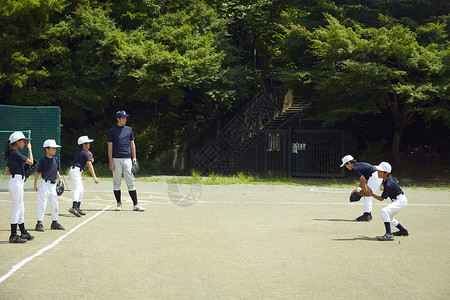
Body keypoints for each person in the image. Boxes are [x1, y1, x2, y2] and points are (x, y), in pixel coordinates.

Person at [107, 110, 145, 211]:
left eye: (126, 117)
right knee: (117, 181)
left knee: (130, 181)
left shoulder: (129, 129)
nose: (126, 119)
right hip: (116, 159)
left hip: (127, 158)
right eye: (123, 118)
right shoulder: (112, 131)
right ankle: (119, 203)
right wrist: (111, 162)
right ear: (118, 119)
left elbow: (132, 144)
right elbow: (110, 147)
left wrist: (134, 159)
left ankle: (135, 204)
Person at [3, 132, 35, 243]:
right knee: (17, 208)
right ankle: (13, 235)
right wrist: (29, 149)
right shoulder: (15, 153)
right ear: (16, 142)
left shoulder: (12, 154)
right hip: (16, 183)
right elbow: (31, 162)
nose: (25, 143)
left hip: (17, 182)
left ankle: (24, 232)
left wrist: (20, 171)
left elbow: (7, 171)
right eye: (23, 141)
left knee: (21, 208)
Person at [371, 162, 409, 241]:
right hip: (398, 200)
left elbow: (381, 199)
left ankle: (389, 234)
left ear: (386, 173)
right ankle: (403, 231)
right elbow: (396, 181)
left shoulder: (388, 184)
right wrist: (386, 189)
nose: (378, 172)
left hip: (400, 201)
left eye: (380, 171)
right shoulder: (389, 178)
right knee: (389, 218)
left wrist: (371, 194)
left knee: (384, 211)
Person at [33, 139, 65, 231]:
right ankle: (39, 223)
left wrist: (60, 181)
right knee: (42, 204)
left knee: (55, 204)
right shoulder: (43, 160)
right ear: (46, 149)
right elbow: (37, 173)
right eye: (53, 148)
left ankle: (54, 222)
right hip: (44, 184)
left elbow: (57, 171)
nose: (55, 150)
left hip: (53, 185)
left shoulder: (56, 159)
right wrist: (35, 185)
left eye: (55, 148)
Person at [340, 155, 382, 221]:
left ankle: (367, 214)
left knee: (368, 194)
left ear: (348, 163)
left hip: (375, 177)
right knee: (367, 195)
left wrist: (357, 190)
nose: (346, 167)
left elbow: (364, 181)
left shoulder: (355, 169)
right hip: (376, 176)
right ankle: (368, 214)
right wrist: (357, 190)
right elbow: (364, 180)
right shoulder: (358, 165)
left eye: (346, 165)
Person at [68, 136, 99, 217]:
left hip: (76, 171)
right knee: (78, 189)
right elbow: (89, 164)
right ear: (83, 145)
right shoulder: (84, 153)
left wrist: (90, 156)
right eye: (87, 143)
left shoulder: (81, 152)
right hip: (76, 171)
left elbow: (90, 160)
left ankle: (77, 207)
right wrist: (94, 177)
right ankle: (74, 207)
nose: (89, 144)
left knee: (81, 190)